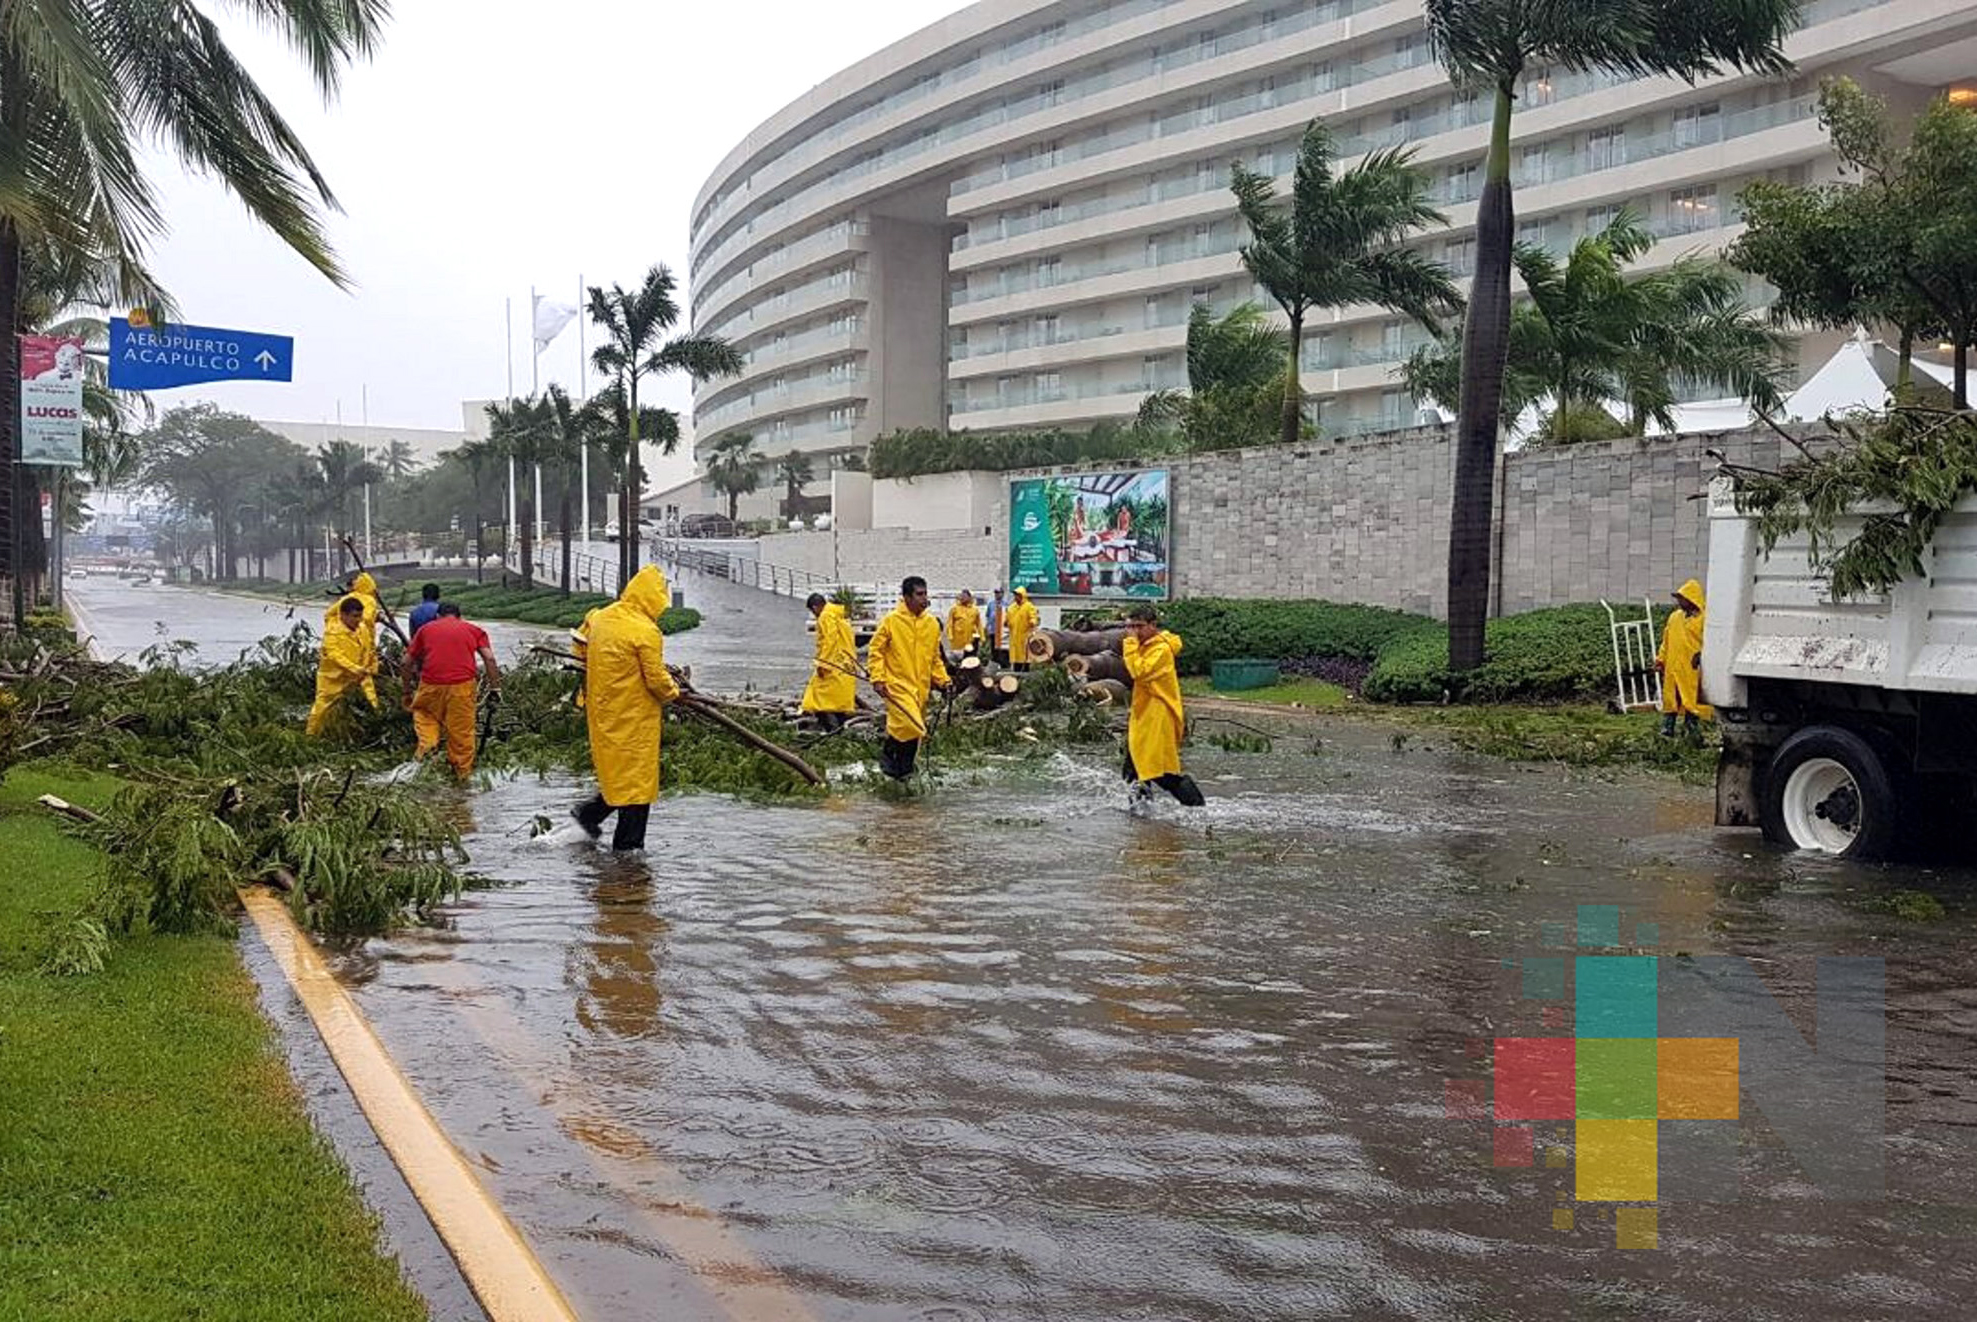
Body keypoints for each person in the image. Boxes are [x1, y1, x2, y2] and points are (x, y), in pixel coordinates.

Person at [572, 565, 681, 851]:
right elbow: (656, 680)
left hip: (602, 711)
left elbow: (578, 645)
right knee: (638, 784)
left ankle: (588, 814)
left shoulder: (601, 616)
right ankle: (628, 851)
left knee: (618, 773)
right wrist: (674, 693)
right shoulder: (646, 631)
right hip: (634, 717)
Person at [1121, 604, 1206, 807]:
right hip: (1143, 714)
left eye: (1139, 626)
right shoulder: (1145, 646)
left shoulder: (1161, 650)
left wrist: (1131, 644)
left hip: (1158, 714)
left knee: (1158, 771)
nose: (1135, 631)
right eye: (1130, 626)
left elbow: (1139, 672)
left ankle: (1196, 806)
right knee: (1133, 767)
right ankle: (1140, 811)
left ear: (1153, 625)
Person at [866, 575, 951, 781]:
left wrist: (943, 680)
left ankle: (901, 771)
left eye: (925, 594)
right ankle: (888, 755)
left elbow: (935, 659)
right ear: (906, 597)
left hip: (920, 689)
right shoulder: (891, 621)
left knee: (914, 731)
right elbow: (875, 651)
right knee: (912, 725)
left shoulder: (931, 624)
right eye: (919, 594)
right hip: (896, 686)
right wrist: (878, 678)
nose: (924, 599)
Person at [404, 602, 500, 778]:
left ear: (438, 616)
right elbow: (490, 658)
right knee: (461, 737)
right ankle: (462, 781)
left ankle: (427, 750)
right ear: (459, 616)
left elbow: (406, 662)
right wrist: (495, 688)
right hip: (461, 688)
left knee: (425, 716)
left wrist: (406, 691)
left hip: (430, 686)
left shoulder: (425, 630)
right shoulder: (473, 630)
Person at [305, 597, 377, 736]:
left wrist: (372, 665)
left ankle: (365, 733)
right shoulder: (332, 632)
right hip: (333, 679)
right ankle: (311, 736)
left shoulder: (362, 629)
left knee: (371, 703)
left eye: (360, 616)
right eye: (355, 616)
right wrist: (355, 668)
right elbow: (334, 655)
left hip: (359, 677)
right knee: (322, 709)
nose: (358, 620)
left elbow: (370, 648)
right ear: (343, 615)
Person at [1657, 578, 1713, 742]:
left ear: (1691, 599)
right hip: (1673, 666)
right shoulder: (1674, 617)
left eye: (1682, 598)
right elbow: (1666, 641)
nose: (1679, 601)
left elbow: (1712, 642)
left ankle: (1692, 734)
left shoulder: (1704, 619)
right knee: (1670, 700)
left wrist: (1702, 655)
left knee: (1690, 700)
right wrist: (1660, 659)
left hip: (1691, 668)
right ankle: (1667, 730)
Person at [323, 571, 382, 708]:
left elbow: (328, 615)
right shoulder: (370, 601)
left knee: (331, 699)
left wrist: (337, 626)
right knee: (368, 693)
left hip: (350, 646)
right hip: (361, 646)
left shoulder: (347, 599)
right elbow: (366, 620)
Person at [801, 592, 858, 732]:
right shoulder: (840, 616)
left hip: (833, 665)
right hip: (846, 665)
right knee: (839, 704)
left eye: (812, 611)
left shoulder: (825, 616)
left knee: (817, 699)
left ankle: (832, 733)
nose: (814, 615)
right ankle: (839, 734)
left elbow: (829, 641)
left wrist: (823, 664)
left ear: (815, 607)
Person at [1006, 586, 1040, 671]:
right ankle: (1016, 676)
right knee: (1016, 659)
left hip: (1025, 637)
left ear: (1022, 595)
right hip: (1014, 637)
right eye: (1015, 595)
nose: (1016, 597)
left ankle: (1025, 677)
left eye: (1018, 595)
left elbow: (1033, 616)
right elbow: (1008, 619)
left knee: (1025, 658)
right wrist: (1006, 622)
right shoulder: (1011, 607)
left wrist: (1033, 621)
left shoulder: (1029, 606)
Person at [946, 589, 982, 659]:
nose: (962, 598)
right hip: (957, 639)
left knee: (969, 658)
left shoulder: (975, 610)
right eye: (961, 596)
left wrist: (982, 637)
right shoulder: (954, 609)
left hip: (970, 639)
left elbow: (979, 624)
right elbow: (949, 623)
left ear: (969, 597)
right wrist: (950, 635)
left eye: (965, 596)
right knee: (958, 658)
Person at [987, 587, 1009, 667]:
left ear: (1002, 594)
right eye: (996, 593)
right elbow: (988, 616)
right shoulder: (991, 604)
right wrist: (988, 628)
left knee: (1003, 650)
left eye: (999, 593)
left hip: (1002, 632)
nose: (997, 594)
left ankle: (1004, 666)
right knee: (994, 650)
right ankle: (994, 666)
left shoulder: (1006, 604)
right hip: (993, 631)